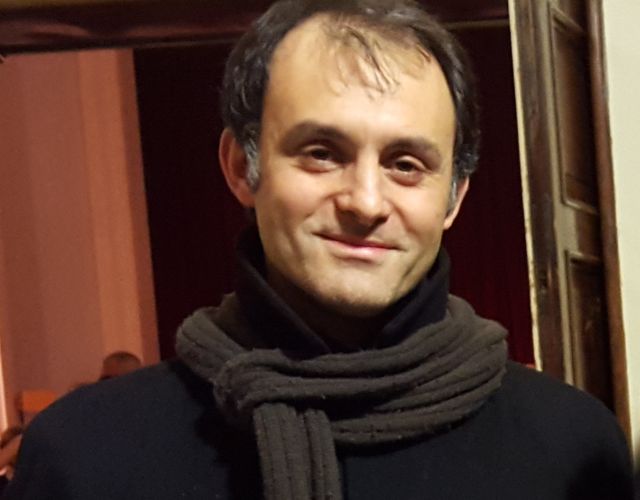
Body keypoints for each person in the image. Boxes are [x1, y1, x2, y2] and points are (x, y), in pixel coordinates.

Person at [5, 1, 633, 499]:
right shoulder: (85, 457)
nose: (365, 201)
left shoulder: (574, 453)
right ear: (240, 167)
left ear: (454, 198)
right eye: (322, 153)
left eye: (406, 164)